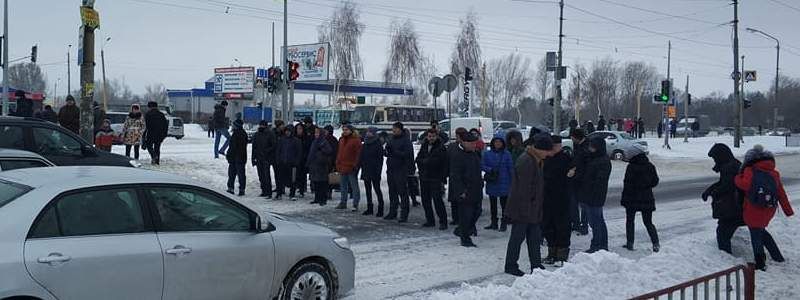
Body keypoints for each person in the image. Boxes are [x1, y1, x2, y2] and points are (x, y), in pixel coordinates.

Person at [734, 145, 794, 271]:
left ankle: (760, 263)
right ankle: (777, 256)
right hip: (768, 208)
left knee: (756, 235)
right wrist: (788, 210)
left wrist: (737, 178)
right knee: (762, 232)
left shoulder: (750, 170)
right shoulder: (774, 173)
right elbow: (781, 193)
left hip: (753, 207)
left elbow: (744, 185)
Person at [504, 133, 552, 276]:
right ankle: (511, 265)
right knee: (517, 239)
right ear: (539, 149)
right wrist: (526, 211)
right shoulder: (526, 161)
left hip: (533, 209)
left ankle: (536, 265)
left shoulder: (536, 159)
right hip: (523, 210)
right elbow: (522, 190)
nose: (548, 154)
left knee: (534, 238)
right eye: (546, 151)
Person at [703, 144, 746, 254]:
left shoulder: (729, 167)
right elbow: (723, 182)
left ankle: (726, 257)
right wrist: (709, 190)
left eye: (714, 158)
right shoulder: (731, 164)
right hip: (738, 207)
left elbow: (727, 186)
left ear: (720, 156)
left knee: (723, 233)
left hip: (733, 208)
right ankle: (777, 256)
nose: (714, 160)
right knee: (759, 232)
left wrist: (713, 192)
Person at [621, 144, 661, 252]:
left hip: (631, 198)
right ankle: (655, 243)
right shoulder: (650, 166)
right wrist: (645, 186)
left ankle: (630, 243)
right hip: (646, 197)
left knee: (630, 221)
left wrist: (624, 198)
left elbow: (627, 184)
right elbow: (655, 181)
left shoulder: (631, 167)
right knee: (648, 222)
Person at [542, 135, 573, 266]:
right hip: (547, 198)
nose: (552, 148)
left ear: (559, 146)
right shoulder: (547, 159)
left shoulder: (566, 159)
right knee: (549, 227)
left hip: (562, 199)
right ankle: (551, 253)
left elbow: (571, 178)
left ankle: (562, 255)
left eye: (555, 145)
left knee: (562, 227)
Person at [449, 132, 484, 247]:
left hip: (476, 189)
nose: (473, 145)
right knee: (466, 215)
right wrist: (461, 191)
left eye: (474, 143)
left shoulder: (475, 154)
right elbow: (455, 176)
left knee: (477, 212)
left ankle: (462, 230)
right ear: (463, 142)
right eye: (471, 143)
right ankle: (465, 239)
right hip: (465, 191)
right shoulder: (458, 155)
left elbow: (477, 171)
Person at [580, 136, 612, 253]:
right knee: (598, 221)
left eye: (592, 147)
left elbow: (599, 181)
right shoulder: (593, 158)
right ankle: (601, 245)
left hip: (595, 196)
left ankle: (598, 245)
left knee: (595, 222)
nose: (590, 149)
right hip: (590, 195)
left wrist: (588, 185)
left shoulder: (602, 161)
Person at [416, 129, 449, 230]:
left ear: (436, 137)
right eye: (429, 136)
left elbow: (442, 163)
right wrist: (423, 163)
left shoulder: (441, 147)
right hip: (424, 177)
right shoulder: (424, 145)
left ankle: (443, 221)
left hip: (435, 177)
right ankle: (430, 220)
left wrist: (442, 177)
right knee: (425, 200)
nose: (431, 138)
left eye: (433, 136)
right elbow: (418, 159)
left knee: (437, 200)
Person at [482, 135, 514, 232]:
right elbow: (482, 165)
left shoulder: (506, 154)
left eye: (499, 142)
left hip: (504, 182)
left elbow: (510, 168)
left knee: (504, 204)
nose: (497, 144)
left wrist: (513, 181)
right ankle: (494, 222)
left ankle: (504, 223)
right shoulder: (487, 154)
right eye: (496, 142)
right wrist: (490, 170)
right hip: (493, 181)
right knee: (493, 204)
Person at [385, 122, 414, 222]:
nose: (393, 130)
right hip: (391, 168)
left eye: (395, 128)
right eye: (393, 128)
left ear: (400, 129)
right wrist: (387, 151)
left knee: (402, 192)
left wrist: (394, 152)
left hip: (401, 169)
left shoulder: (406, 140)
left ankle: (404, 214)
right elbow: (389, 152)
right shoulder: (391, 139)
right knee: (392, 192)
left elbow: (407, 154)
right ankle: (393, 212)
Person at [336, 124, 363, 211]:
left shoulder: (356, 141)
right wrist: (337, 163)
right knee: (343, 186)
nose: (345, 131)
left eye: (346, 130)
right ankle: (343, 202)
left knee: (354, 186)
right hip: (342, 166)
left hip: (351, 167)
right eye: (343, 130)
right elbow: (339, 152)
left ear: (351, 130)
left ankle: (355, 204)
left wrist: (355, 165)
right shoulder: (342, 140)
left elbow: (358, 155)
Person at [568, 129, 589, 235]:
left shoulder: (585, 148)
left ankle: (584, 225)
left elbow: (583, 165)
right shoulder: (579, 146)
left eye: (572, 137)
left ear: (576, 137)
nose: (571, 139)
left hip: (582, 180)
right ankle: (576, 223)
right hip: (576, 179)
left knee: (583, 204)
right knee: (573, 202)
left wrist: (574, 172)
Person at [360, 127, 385, 216]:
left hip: (374, 170)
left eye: (370, 132)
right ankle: (369, 207)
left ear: (374, 133)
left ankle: (380, 208)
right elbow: (361, 156)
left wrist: (378, 171)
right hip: (366, 168)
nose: (368, 133)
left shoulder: (378, 144)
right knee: (367, 189)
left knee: (377, 189)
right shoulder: (365, 143)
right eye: (367, 132)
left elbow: (380, 159)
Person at [447, 127, 470, 225]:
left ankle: (463, 218)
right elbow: (447, 160)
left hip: (464, 177)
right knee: (453, 198)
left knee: (463, 198)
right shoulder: (452, 147)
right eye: (457, 135)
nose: (457, 137)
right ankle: (455, 217)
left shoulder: (468, 147)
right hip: (453, 175)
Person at [308, 127, 334, 206]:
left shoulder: (324, 142)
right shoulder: (314, 142)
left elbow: (329, 151)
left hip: (322, 165)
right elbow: (311, 152)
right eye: (315, 133)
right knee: (316, 183)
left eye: (317, 133)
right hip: (314, 164)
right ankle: (317, 198)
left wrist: (321, 150)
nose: (316, 134)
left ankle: (323, 199)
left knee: (322, 183)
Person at [275, 126, 302, 200]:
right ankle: (279, 193)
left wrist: (296, 162)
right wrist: (278, 160)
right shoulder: (281, 140)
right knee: (280, 179)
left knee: (293, 180)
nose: (287, 132)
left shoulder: (296, 141)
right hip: (282, 162)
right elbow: (278, 151)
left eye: (289, 131)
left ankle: (292, 194)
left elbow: (299, 153)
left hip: (292, 163)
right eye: (286, 131)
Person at [252, 120, 277, 198]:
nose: (261, 127)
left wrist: (266, 151)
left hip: (267, 158)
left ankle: (268, 192)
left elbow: (273, 145)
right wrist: (253, 158)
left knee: (266, 175)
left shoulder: (270, 134)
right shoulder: (257, 134)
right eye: (260, 125)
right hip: (259, 157)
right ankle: (264, 190)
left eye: (262, 125)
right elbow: (254, 147)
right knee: (261, 175)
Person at [226, 119, 249, 196]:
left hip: (238, 157)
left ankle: (234, 188)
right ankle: (238, 189)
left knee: (237, 174)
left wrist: (229, 154)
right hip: (238, 157)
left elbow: (234, 147)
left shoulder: (239, 134)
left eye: (234, 125)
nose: (232, 126)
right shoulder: (240, 133)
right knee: (236, 174)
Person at [295, 124, 313, 199]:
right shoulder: (294, 137)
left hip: (304, 159)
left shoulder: (307, 138)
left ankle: (302, 189)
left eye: (300, 128)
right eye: (298, 129)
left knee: (302, 175)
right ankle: (297, 188)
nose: (299, 130)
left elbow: (308, 148)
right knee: (295, 175)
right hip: (295, 159)